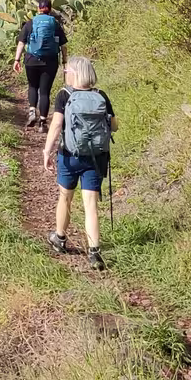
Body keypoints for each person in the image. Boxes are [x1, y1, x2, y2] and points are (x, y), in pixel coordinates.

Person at [41, 56, 117, 271]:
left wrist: (47, 151)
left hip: (69, 156)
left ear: (74, 74)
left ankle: (60, 238)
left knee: (65, 198)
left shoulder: (64, 95)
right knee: (90, 205)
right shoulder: (101, 95)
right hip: (96, 157)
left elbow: (57, 125)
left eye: (67, 72)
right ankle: (94, 253)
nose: (65, 74)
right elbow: (114, 126)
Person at [14, 0, 66, 129]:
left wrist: (16, 60)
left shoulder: (30, 23)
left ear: (38, 9)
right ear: (50, 9)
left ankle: (32, 111)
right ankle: (43, 122)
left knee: (32, 86)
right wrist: (65, 61)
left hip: (31, 60)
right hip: (50, 61)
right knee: (44, 92)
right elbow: (63, 45)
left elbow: (21, 43)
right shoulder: (55, 24)